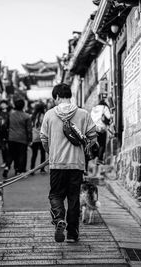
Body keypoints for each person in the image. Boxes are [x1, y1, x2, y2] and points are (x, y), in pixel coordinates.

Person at [40, 83, 97, 243]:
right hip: (76, 164)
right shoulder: (83, 113)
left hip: (57, 164)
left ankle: (59, 219)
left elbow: (44, 139)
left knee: (56, 195)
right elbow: (93, 137)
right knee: (73, 197)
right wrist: (85, 149)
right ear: (69, 96)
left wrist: (51, 152)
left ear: (57, 97)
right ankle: (72, 234)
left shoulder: (49, 114)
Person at [3, 99, 32, 178]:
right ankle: (20, 171)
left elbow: (5, 125)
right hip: (22, 138)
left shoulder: (10, 115)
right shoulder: (26, 116)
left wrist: (6, 136)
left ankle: (7, 167)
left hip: (11, 138)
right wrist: (30, 140)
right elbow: (29, 129)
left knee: (12, 154)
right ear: (23, 106)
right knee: (22, 155)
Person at [90, 96, 112, 176]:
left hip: (93, 128)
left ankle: (93, 157)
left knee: (95, 143)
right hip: (101, 128)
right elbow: (109, 116)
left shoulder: (94, 109)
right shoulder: (104, 108)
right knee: (102, 144)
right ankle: (99, 159)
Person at [30, 102, 46, 174]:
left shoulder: (33, 116)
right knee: (43, 154)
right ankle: (42, 169)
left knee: (34, 154)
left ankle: (32, 169)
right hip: (42, 137)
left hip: (34, 137)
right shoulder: (44, 115)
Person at [0, 100, 10, 168]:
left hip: (8, 132)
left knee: (8, 148)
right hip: (1, 132)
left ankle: (8, 162)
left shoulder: (9, 113)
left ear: (7, 105)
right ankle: (4, 161)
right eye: (2, 104)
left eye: (4, 104)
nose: (2, 105)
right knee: (3, 148)